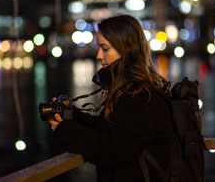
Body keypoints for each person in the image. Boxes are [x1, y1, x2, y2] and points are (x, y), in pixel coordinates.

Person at [48, 14, 176, 181]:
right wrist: (74, 116)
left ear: (126, 50)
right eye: (99, 48)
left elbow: (108, 151)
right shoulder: (140, 88)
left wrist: (65, 130)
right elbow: (116, 131)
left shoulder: (138, 96)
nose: (99, 56)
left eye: (105, 48)